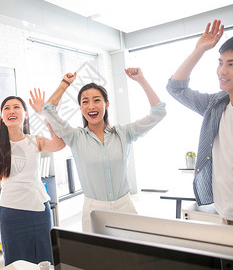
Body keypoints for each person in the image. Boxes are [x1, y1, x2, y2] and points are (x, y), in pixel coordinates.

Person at [166, 19, 233, 230]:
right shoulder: (215, 105)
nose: (222, 71)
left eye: (232, 64)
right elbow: (176, 89)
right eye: (220, 62)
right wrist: (199, 50)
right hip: (224, 217)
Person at [41, 68, 167, 232]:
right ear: (80, 108)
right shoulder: (75, 137)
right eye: (85, 102)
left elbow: (159, 112)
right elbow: (48, 109)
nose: (91, 106)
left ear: (106, 104)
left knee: (131, 255)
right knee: (97, 257)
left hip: (125, 206)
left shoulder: (124, 133)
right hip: (94, 209)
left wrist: (141, 80)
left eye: (96, 100)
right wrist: (65, 84)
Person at [0, 84, 65, 266]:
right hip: (11, 214)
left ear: (25, 114)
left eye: (16, 107)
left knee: (45, 262)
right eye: (6, 108)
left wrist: (44, 113)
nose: (11, 111)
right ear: (2, 117)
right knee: (16, 264)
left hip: (38, 210)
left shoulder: (35, 141)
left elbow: (59, 144)